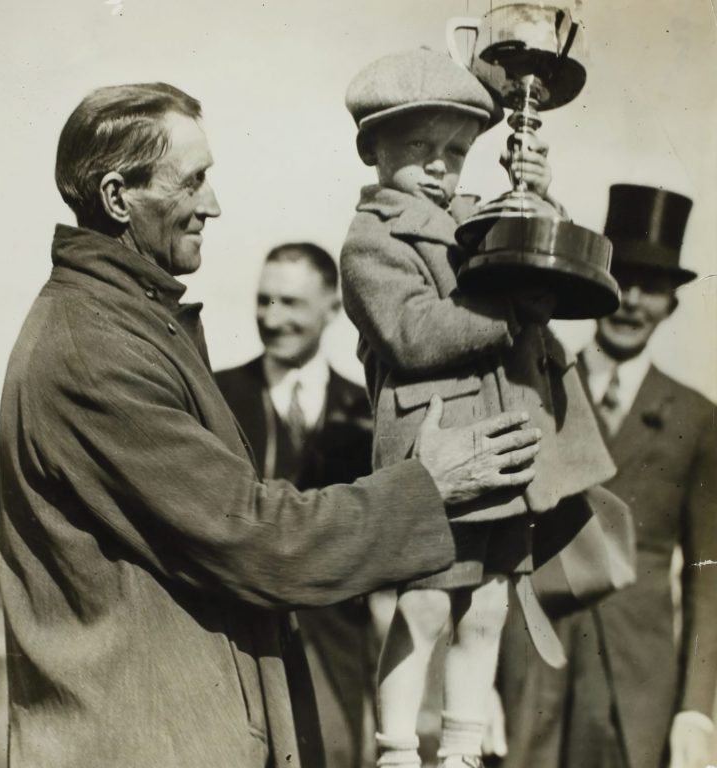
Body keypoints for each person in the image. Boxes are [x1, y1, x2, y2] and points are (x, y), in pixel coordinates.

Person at [0, 82, 544, 768]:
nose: (213, 204)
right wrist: (426, 487)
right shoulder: (96, 351)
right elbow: (254, 537)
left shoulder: (125, 323)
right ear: (116, 198)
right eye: (193, 182)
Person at [339, 48, 617, 768]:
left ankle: (461, 748)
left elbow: (541, 252)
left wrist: (539, 196)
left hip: (506, 447)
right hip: (443, 451)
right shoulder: (372, 242)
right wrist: (507, 312)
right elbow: (413, 333)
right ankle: (398, 749)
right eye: (420, 148)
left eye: (457, 151)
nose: (440, 165)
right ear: (373, 149)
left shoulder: (473, 216)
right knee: (428, 605)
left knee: (491, 602)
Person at [494, 184, 717, 768]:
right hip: (530, 651)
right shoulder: (539, 382)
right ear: (598, 288)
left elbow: (707, 573)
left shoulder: (697, 417)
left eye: (655, 288)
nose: (634, 302)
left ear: (672, 304)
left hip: (634, 677)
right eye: (624, 282)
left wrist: (696, 708)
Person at [216, 242, 377, 768]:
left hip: (336, 653)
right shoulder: (216, 396)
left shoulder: (368, 410)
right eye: (264, 302)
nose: (272, 318)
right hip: (237, 650)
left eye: (290, 303)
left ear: (332, 307)